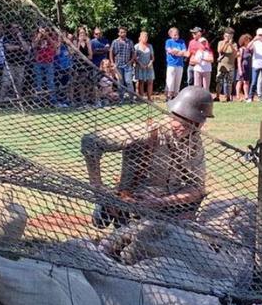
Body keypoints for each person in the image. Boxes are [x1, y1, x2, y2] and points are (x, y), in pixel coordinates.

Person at [82, 85, 211, 226]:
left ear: (200, 124)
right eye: (178, 118)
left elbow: (197, 188)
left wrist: (161, 202)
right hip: (135, 206)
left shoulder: (193, 140)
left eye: (191, 123)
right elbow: (90, 142)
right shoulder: (147, 132)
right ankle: (107, 212)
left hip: (168, 205)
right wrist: (98, 190)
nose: (181, 125)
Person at [32, 28, 58, 104]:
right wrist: (39, 35)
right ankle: (37, 99)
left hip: (49, 62)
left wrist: (47, 36)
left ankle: (52, 98)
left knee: (50, 81)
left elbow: (54, 45)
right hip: (38, 61)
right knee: (38, 81)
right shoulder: (37, 36)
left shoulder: (52, 36)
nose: (44, 32)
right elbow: (34, 45)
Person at [109, 27, 136, 97]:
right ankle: (121, 98)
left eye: (124, 32)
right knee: (120, 82)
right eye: (121, 32)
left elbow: (133, 53)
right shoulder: (115, 42)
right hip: (118, 65)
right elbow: (111, 52)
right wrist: (112, 63)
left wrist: (131, 61)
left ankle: (131, 98)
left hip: (127, 65)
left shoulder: (130, 42)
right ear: (118, 33)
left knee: (128, 82)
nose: (123, 33)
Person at [164, 27, 188, 100]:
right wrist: (178, 52)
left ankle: (175, 96)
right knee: (170, 81)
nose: (176, 36)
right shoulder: (168, 41)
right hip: (171, 64)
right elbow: (169, 50)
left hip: (179, 64)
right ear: (170, 35)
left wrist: (176, 52)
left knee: (177, 81)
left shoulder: (182, 41)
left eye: (177, 34)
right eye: (174, 35)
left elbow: (184, 52)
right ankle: (169, 96)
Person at [216, 29, 238, 102]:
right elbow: (219, 51)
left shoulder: (234, 44)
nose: (227, 37)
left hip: (230, 66)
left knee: (229, 83)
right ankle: (217, 96)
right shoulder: (220, 42)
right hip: (221, 65)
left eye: (229, 36)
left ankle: (228, 97)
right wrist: (225, 43)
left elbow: (235, 53)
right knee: (219, 82)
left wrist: (230, 44)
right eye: (226, 36)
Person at [134, 31, 155, 99]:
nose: (145, 38)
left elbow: (152, 57)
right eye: (144, 37)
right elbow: (134, 57)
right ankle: (141, 98)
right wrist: (140, 64)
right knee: (141, 82)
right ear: (140, 37)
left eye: (146, 37)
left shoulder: (150, 46)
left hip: (149, 66)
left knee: (150, 81)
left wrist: (150, 63)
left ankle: (149, 98)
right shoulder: (136, 46)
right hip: (140, 66)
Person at [236, 33, 253, 101]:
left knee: (247, 82)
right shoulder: (241, 49)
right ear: (243, 41)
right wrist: (240, 69)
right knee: (240, 81)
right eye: (247, 40)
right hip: (242, 67)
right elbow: (239, 60)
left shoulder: (250, 50)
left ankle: (246, 95)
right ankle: (237, 95)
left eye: (249, 40)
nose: (248, 41)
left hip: (248, 68)